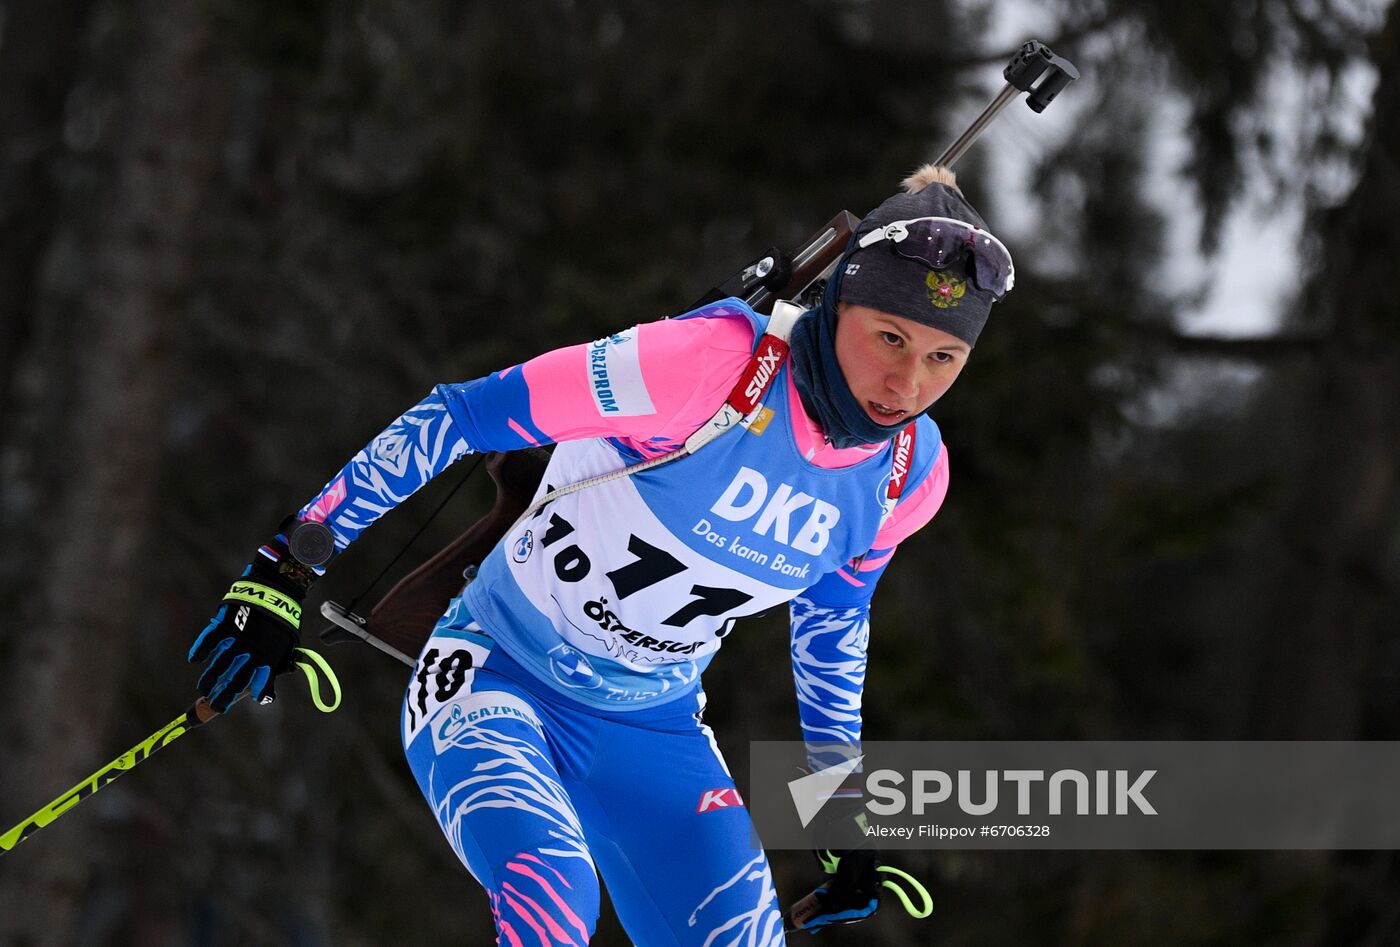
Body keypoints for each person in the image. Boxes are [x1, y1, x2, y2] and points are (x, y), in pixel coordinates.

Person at [188, 164, 1013, 944]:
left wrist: (841, 817)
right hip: (494, 675)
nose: (906, 384)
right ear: (839, 305)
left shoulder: (909, 474)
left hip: (651, 725)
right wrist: (283, 571)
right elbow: (458, 416)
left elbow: (831, 632)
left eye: (944, 358)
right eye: (890, 337)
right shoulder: (707, 366)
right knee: (553, 900)